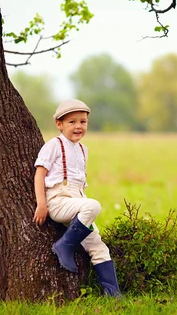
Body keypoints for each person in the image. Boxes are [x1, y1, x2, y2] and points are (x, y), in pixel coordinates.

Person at [33, 99, 121, 297]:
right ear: (59, 124)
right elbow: (40, 174)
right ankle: (64, 245)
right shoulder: (54, 145)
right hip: (59, 201)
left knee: (99, 247)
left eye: (83, 121)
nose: (78, 126)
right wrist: (41, 203)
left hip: (78, 204)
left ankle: (113, 293)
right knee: (94, 206)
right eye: (72, 122)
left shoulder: (83, 150)